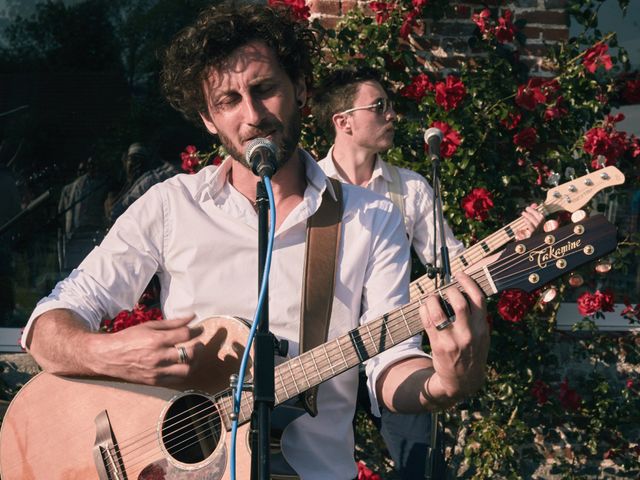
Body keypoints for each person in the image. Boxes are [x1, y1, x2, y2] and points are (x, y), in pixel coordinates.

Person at [22, 4, 490, 479]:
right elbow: (47, 326)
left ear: (301, 89)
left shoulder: (371, 218)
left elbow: (389, 365)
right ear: (208, 119)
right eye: (228, 100)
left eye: (264, 89)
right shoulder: (172, 206)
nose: (252, 116)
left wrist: (446, 381)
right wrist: (109, 353)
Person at [313, 66, 544, 478]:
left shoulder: (412, 188)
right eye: (378, 106)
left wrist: (519, 238)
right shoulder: (309, 187)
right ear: (343, 121)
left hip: (393, 350)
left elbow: (452, 264)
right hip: (323, 354)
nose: (391, 115)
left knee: (425, 467)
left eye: (390, 106)